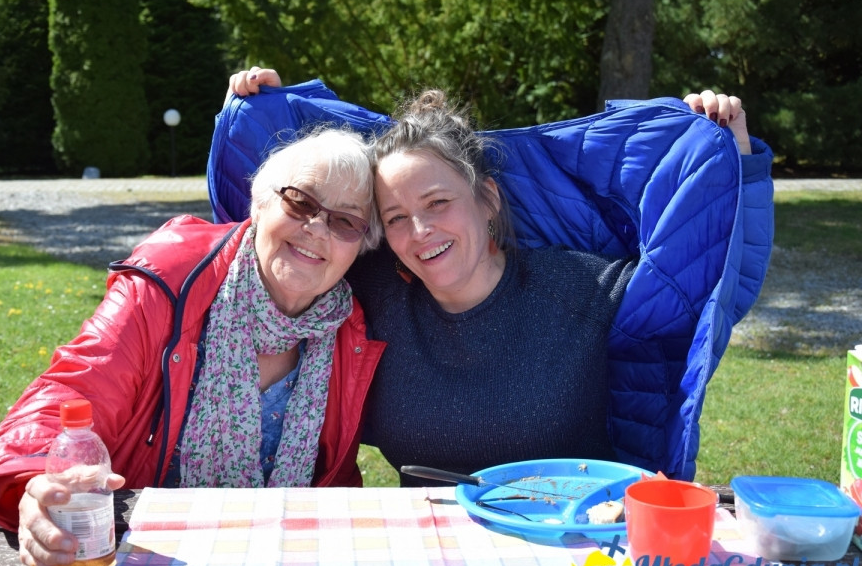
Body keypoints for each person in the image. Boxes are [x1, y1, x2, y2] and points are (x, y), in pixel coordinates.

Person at [227, 67, 771, 486]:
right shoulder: (369, 295)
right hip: (428, 552)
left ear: (486, 199)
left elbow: (709, 281)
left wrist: (730, 154)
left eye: (437, 202)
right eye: (395, 218)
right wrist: (259, 109)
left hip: (571, 546)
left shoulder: (587, 292)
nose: (419, 231)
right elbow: (279, 233)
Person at [0, 126, 386, 566]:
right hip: (149, 565)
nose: (316, 228)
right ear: (261, 201)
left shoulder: (350, 330)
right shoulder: (166, 283)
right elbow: (67, 398)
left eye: (345, 221)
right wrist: (35, 483)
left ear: (361, 247)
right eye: (301, 202)